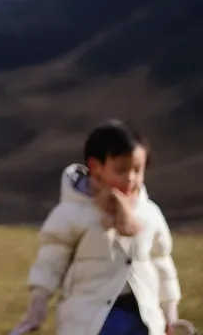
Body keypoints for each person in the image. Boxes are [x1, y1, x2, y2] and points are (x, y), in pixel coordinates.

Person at [10, 121, 188, 335]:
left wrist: (170, 309)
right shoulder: (73, 212)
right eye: (121, 170)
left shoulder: (149, 214)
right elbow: (50, 259)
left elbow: (161, 261)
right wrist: (38, 300)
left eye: (137, 170)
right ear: (96, 167)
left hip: (142, 319)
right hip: (89, 321)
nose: (131, 178)